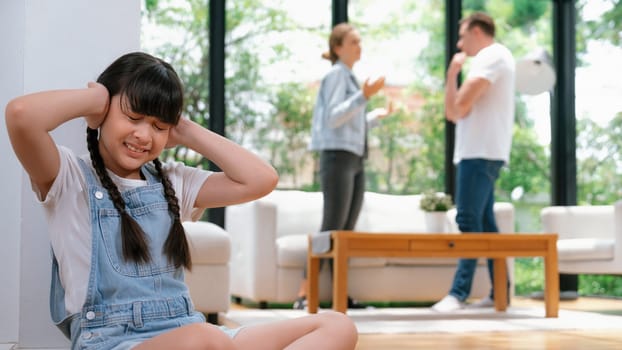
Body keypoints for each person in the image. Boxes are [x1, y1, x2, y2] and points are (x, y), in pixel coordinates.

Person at [5, 51, 358, 350]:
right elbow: (21, 116)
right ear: (103, 113)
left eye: (159, 126)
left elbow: (262, 179)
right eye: (133, 117)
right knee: (206, 340)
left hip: (191, 333)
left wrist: (185, 130)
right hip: (114, 341)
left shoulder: (173, 181)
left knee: (336, 326)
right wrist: (96, 101)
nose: (144, 135)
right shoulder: (68, 179)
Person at [293, 23, 392, 310]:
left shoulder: (349, 77)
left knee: (345, 232)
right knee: (332, 227)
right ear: (338, 48)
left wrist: (374, 115)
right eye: (354, 42)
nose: (360, 46)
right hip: (337, 157)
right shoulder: (337, 76)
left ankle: (340, 297)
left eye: (360, 41)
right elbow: (333, 118)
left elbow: (350, 122)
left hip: (354, 157)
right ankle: (304, 294)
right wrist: (364, 96)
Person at [431, 12, 515, 312]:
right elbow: (453, 113)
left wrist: (456, 82)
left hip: (479, 153)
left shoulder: (491, 55)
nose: (459, 43)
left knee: (467, 220)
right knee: (486, 226)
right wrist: (453, 75)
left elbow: (458, 108)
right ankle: (500, 292)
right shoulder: (492, 58)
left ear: (478, 31)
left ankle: (458, 293)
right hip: (480, 152)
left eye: (463, 35)